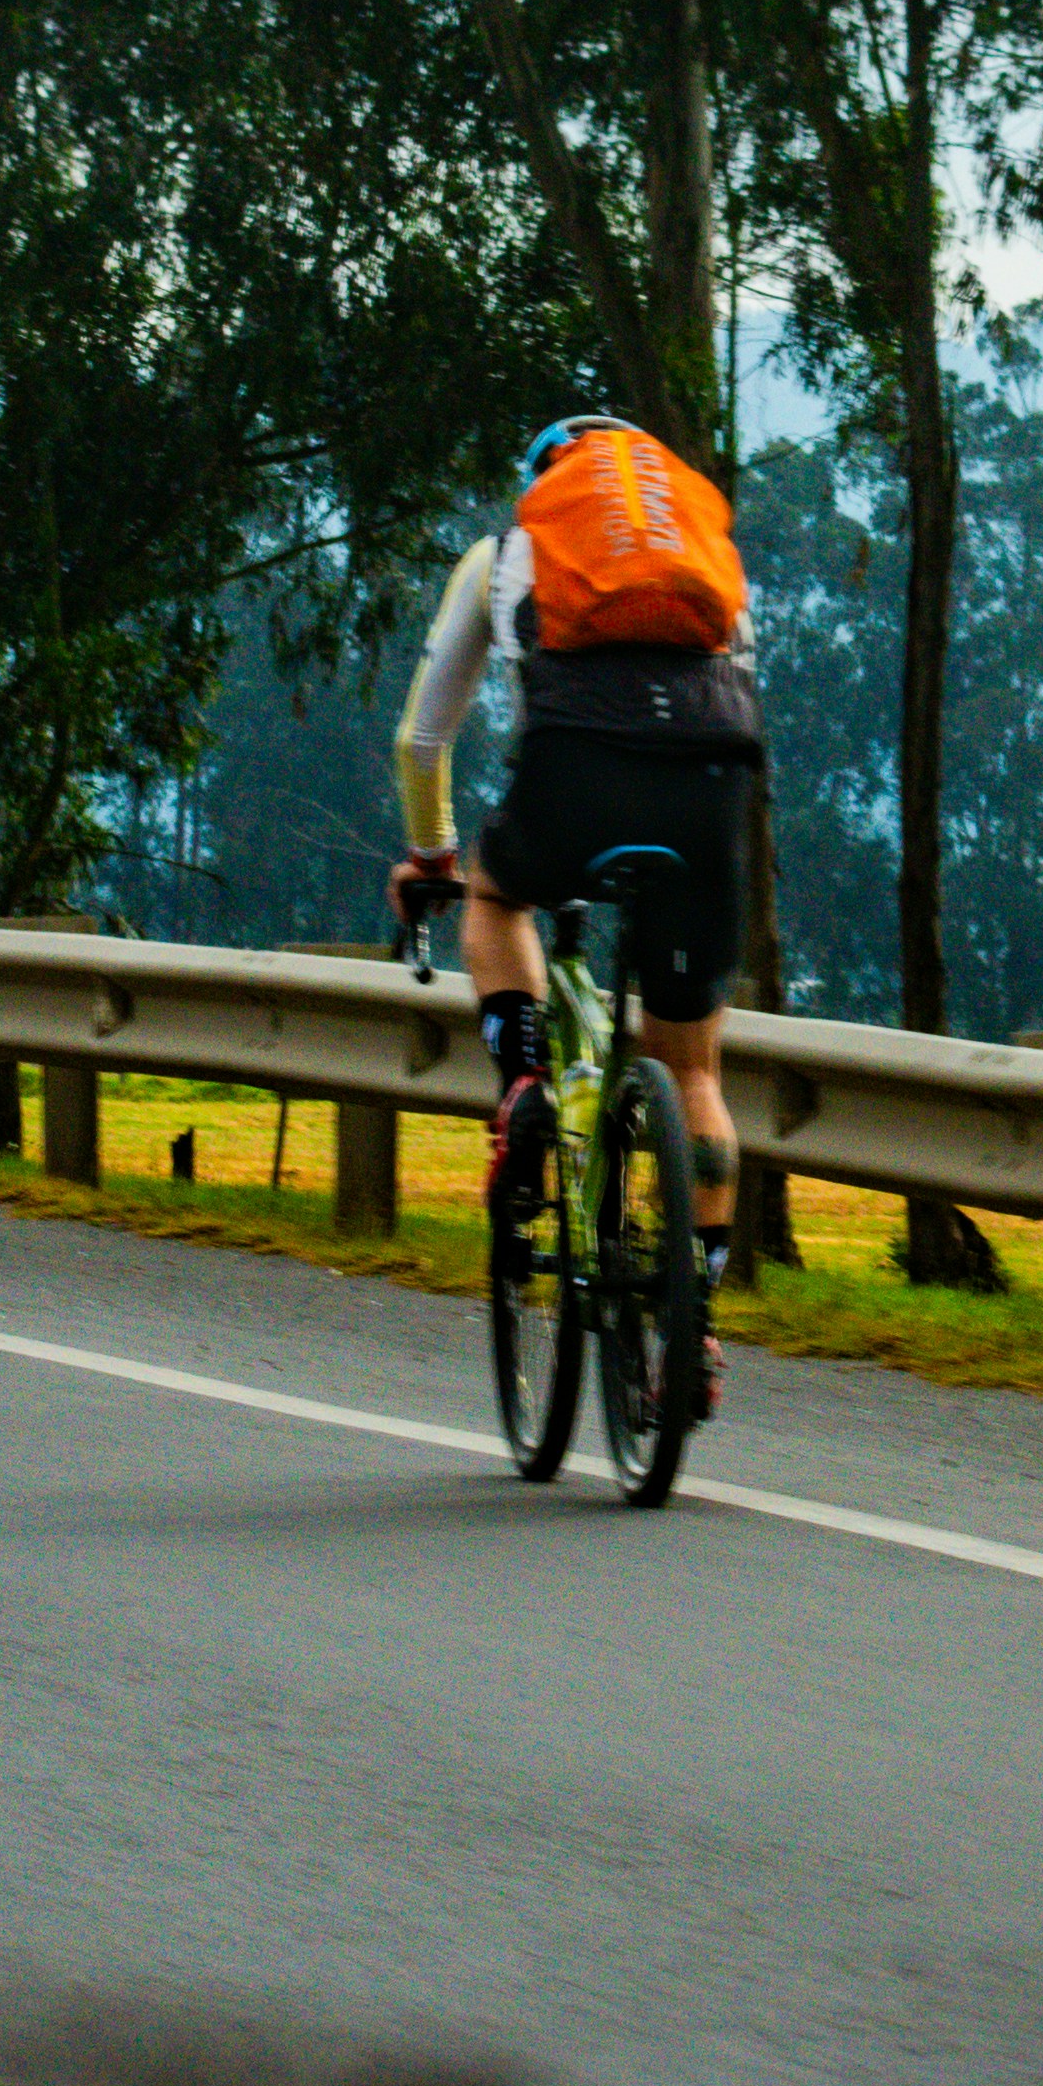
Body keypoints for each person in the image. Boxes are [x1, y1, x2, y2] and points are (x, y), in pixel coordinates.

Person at [388, 413, 759, 1411]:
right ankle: (698, 1324)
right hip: (712, 780)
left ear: (546, 485)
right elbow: (740, 685)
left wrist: (429, 857)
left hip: (570, 778)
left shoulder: (507, 551)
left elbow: (424, 741)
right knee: (694, 1071)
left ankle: (521, 1086)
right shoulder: (701, 551)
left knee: (495, 892)